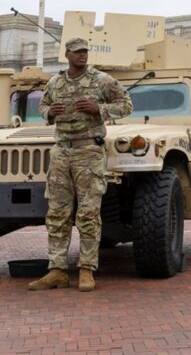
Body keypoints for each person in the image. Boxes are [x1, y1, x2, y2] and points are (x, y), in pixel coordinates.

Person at [29, 37, 132, 293]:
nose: (82, 56)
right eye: (77, 52)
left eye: (85, 51)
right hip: (62, 151)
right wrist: (50, 113)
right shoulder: (55, 82)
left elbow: (126, 105)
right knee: (57, 213)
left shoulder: (102, 80)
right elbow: (42, 105)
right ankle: (57, 270)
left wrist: (99, 109)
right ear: (67, 55)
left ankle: (87, 269)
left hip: (89, 151)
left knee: (88, 213)